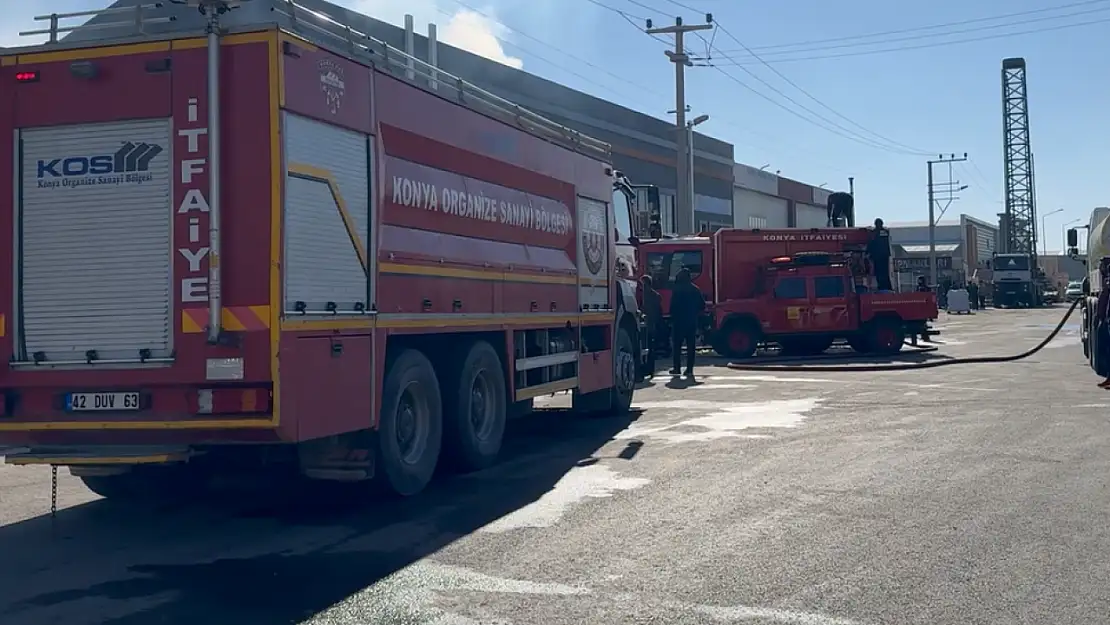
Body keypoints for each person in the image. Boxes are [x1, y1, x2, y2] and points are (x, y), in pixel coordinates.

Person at [668, 267, 705, 378]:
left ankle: (677, 368)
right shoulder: (695, 289)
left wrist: (672, 317)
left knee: (677, 346)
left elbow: (673, 306)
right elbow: (702, 305)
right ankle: (689, 369)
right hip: (691, 321)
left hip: (678, 322)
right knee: (691, 347)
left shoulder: (677, 289)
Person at [639, 275, 662, 377]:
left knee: (643, 347)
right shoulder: (656, 295)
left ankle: (643, 368)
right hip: (652, 325)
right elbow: (659, 312)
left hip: (643, 324)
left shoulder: (641, 294)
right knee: (651, 348)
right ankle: (651, 369)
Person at [867, 218, 893, 291]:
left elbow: (871, 243)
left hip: (877, 256)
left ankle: (881, 286)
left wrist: (868, 252)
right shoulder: (885, 232)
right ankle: (887, 286)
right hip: (885, 256)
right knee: (885, 272)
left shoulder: (874, 233)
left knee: (879, 272)